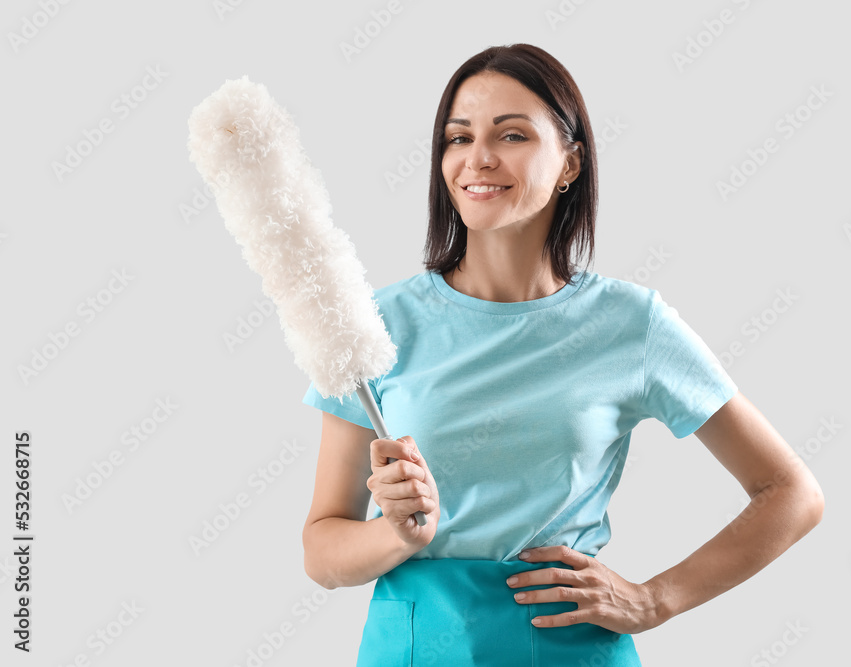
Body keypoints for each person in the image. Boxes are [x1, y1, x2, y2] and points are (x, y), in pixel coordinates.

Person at [300, 43, 824, 666]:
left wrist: (655, 600)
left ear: (570, 163)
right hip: (415, 648)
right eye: (457, 137)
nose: (478, 158)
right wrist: (395, 534)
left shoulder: (632, 325)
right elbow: (321, 549)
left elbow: (790, 492)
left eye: (512, 134)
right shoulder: (371, 327)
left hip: (564, 647)